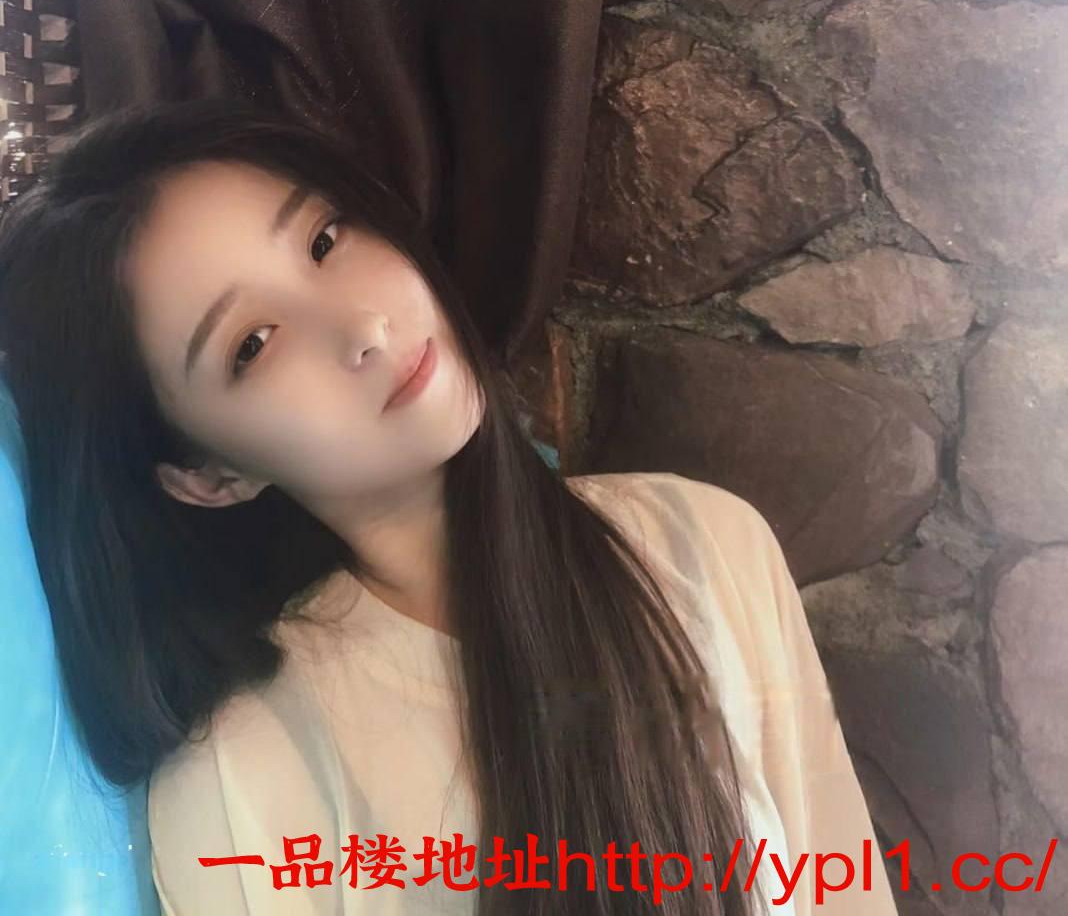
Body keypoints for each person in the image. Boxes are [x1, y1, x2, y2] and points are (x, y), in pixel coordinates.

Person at [0, 98, 899, 916]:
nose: (364, 327)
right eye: (255, 343)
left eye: (325, 240)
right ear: (209, 476)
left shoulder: (706, 542)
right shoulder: (241, 776)